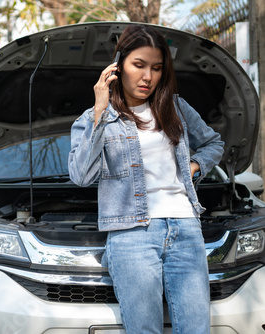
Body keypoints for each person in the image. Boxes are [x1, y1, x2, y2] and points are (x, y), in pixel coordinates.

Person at [68, 24, 224, 334]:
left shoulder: (176, 107)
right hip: (132, 234)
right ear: (118, 65)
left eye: (156, 68)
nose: (147, 77)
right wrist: (100, 110)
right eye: (138, 65)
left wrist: (193, 168)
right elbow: (82, 175)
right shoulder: (93, 118)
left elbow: (214, 142)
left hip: (186, 227)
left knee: (197, 330)